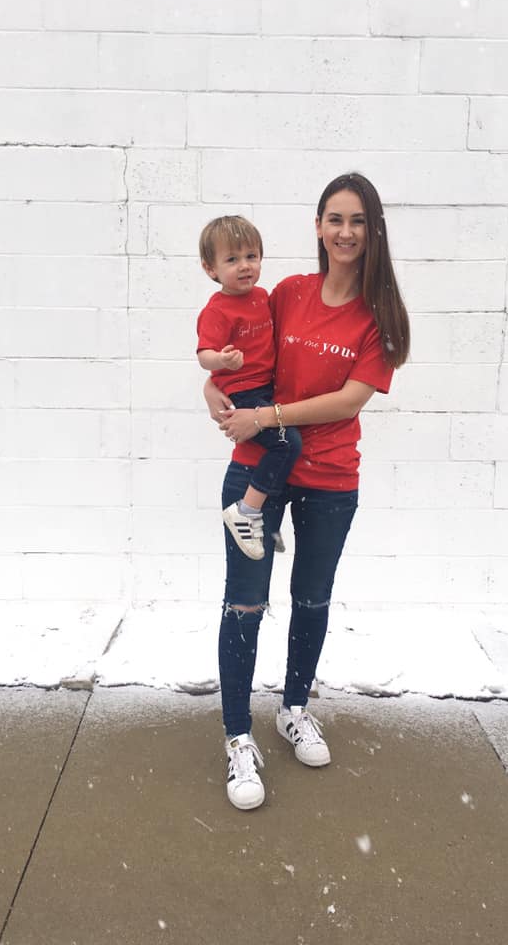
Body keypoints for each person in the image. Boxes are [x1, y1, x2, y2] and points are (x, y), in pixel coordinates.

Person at [203, 173, 410, 810]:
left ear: (372, 230)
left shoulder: (379, 319)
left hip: (329, 479)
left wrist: (267, 417)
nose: (345, 232)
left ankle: (294, 708)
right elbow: (238, 355)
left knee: (312, 601)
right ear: (318, 227)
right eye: (334, 219)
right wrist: (215, 391)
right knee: (244, 604)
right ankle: (238, 736)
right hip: (256, 473)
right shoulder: (286, 293)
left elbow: (350, 399)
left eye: (357, 220)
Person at [197, 215, 302, 560]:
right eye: (232, 259)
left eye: (251, 257)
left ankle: (261, 517)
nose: (244, 266)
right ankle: (246, 510)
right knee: (287, 443)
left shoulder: (262, 297)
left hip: (265, 389)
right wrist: (220, 364)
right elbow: (204, 355)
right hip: (244, 394)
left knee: (280, 448)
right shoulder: (217, 310)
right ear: (210, 269)